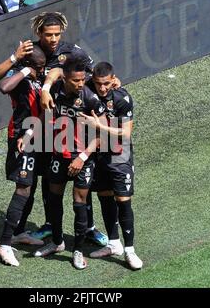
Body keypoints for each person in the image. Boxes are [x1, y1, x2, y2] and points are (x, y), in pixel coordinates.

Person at [0, 12, 108, 247]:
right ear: (39, 33)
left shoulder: (73, 51)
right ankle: (48, 226)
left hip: (67, 127)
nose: (53, 39)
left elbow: (90, 76)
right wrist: (15, 58)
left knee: (81, 178)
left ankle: (90, 227)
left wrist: (112, 83)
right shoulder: (28, 52)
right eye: (48, 34)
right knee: (44, 179)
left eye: (57, 34)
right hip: (38, 126)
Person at [32, 57, 107, 269]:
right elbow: (54, 71)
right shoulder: (55, 91)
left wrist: (82, 158)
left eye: (83, 79)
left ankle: (78, 250)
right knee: (54, 200)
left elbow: (103, 135)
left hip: (82, 159)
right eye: (76, 80)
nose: (80, 83)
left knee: (79, 203)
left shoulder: (90, 99)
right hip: (58, 155)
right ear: (66, 79)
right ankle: (57, 242)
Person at [79, 62, 143, 270]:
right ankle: (114, 244)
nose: (103, 88)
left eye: (107, 83)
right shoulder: (87, 89)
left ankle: (130, 250)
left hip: (119, 155)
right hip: (99, 155)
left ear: (113, 79)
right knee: (104, 196)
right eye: (99, 84)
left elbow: (125, 134)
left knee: (123, 201)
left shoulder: (122, 98)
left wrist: (99, 126)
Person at [0, 45, 47, 267]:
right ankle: (4, 244)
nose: (42, 71)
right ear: (29, 66)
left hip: (37, 134)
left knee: (31, 184)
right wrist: (25, 71)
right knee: (23, 187)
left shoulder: (41, 79)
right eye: (39, 67)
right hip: (19, 136)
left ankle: (19, 232)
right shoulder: (19, 78)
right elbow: (3, 87)